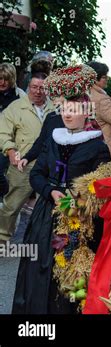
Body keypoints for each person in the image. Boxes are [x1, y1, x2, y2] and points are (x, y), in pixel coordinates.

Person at [13, 65, 111, 314]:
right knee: (38, 269)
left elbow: (102, 188)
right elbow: (36, 175)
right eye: (65, 109)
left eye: (74, 110)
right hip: (46, 215)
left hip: (79, 218)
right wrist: (50, 192)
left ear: (86, 113)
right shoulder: (53, 137)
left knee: (70, 274)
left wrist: (78, 199)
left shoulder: (98, 147)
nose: (68, 115)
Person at [0, 72, 56, 243]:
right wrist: (11, 152)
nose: (38, 91)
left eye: (42, 88)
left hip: (47, 167)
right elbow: (3, 133)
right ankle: (2, 240)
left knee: (47, 207)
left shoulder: (54, 108)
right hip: (21, 165)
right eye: (34, 87)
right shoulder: (15, 107)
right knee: (11, 207)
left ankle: (45, 244)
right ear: (28, 87)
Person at [0, 63, 26, 199]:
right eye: (0, 78)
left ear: (12, 79)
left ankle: (6, 196)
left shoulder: (20, 96)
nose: (2, 82)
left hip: (10, 142)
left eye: (6, 79)